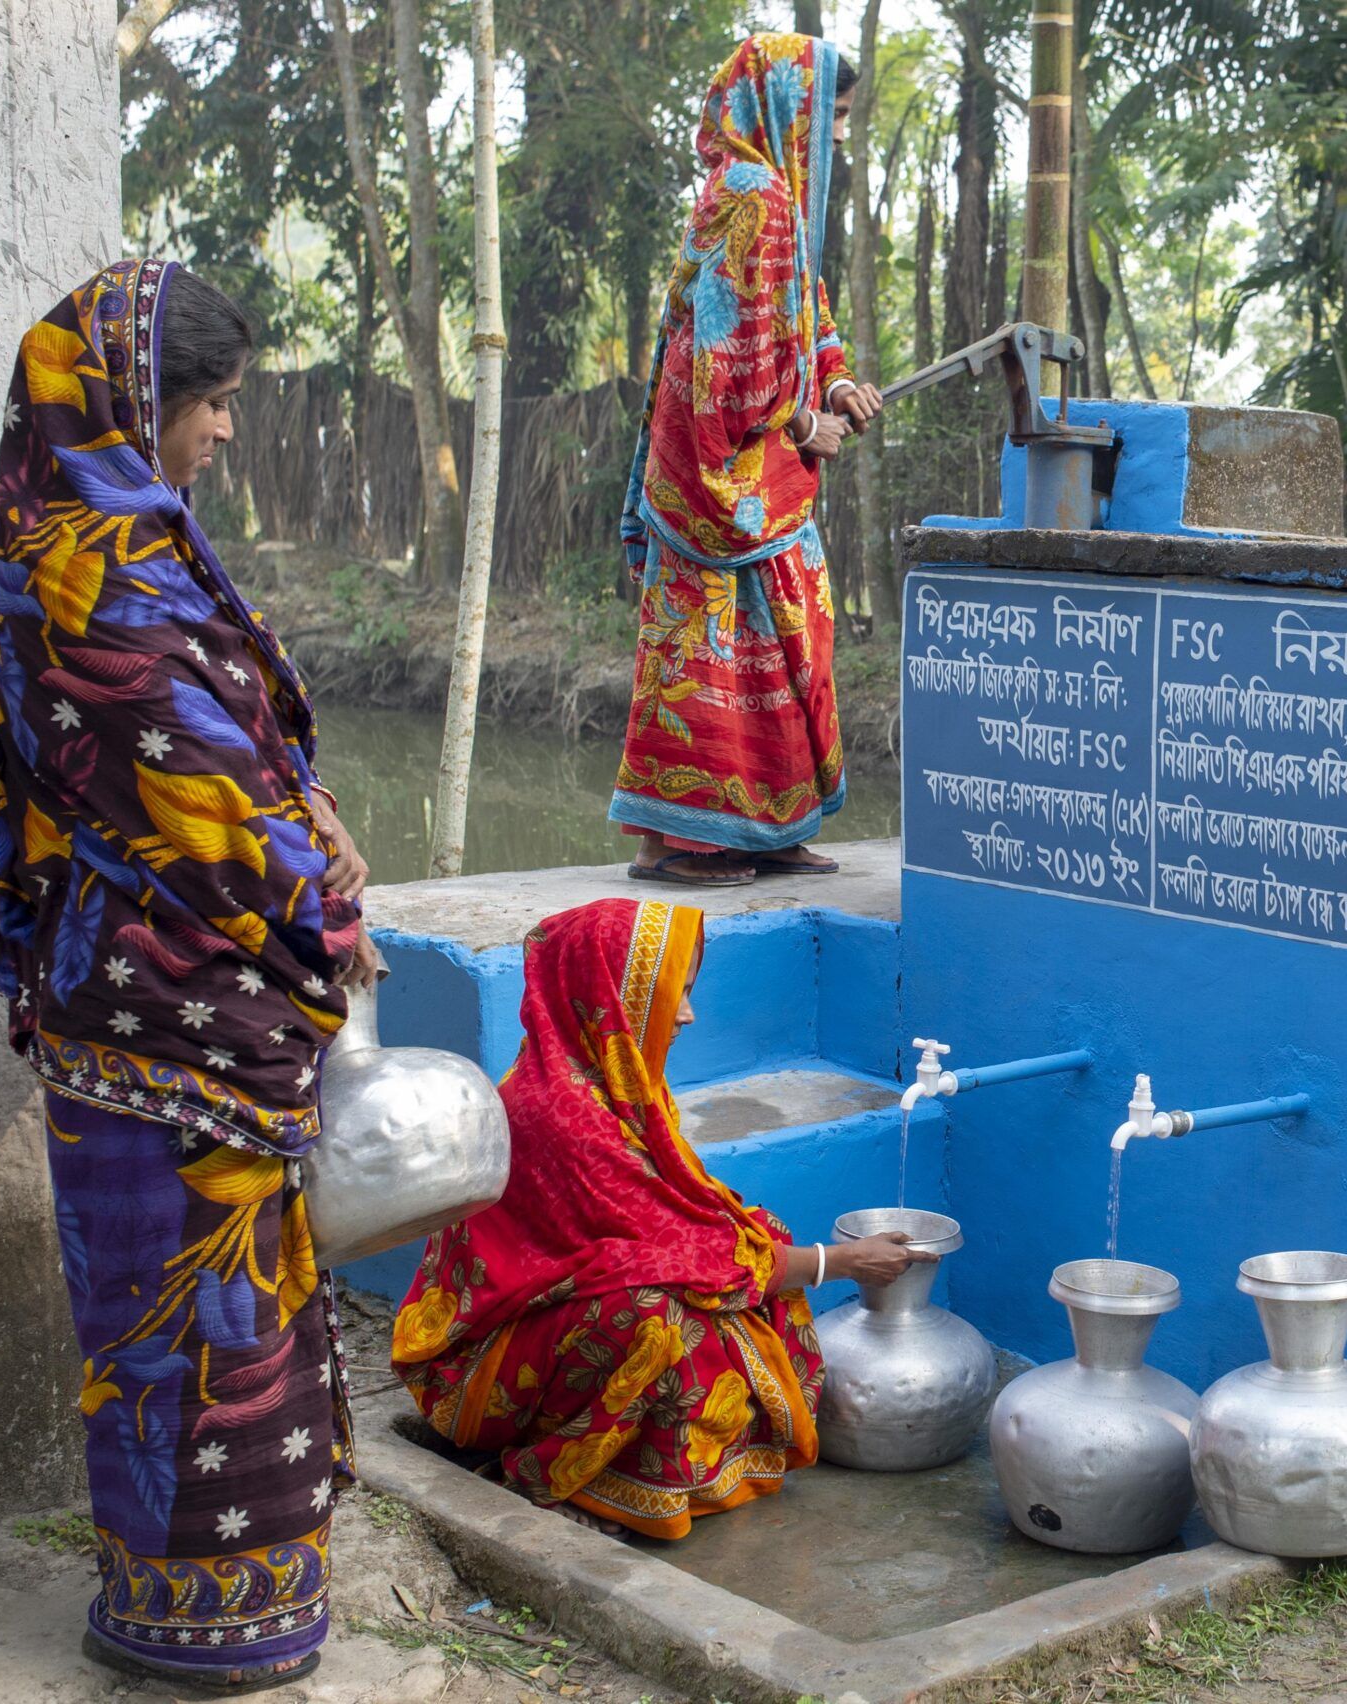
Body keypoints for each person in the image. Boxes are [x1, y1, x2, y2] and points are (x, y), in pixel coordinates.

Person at [0, 260, 384, 1688]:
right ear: (144, 401)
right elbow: (199, 810)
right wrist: (318, 895)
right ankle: (214, 1625)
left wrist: (300, 820)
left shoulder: (25, 532)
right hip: (186, 1006)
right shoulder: (101, 575)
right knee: (203, 1321)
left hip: (108, 1001)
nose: (225, 434)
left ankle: (168, 1604)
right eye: (215, 405)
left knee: (143, 1320)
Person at [391, 897, 930, 1537]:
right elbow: (666, 1256)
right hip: (480, 1360)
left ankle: (655, 1461)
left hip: (554, 1316)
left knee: (752, 1245)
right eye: (673, 991)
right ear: (608, 995)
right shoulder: (560, 1113)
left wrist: (791, 1255)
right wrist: (833, 1263)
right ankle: (575, 1473)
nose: (688, 1014)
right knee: (653, 1315)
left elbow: (684, 1228)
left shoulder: (616, 1082)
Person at [610, 33, 886, 888]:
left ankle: (764, 831)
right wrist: (804, 424)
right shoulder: (749, 194)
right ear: (785, 107)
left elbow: (809, 320)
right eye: (831, 116)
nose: (838, 135)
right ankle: (679, 842)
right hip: (715, 479)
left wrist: (836, 385)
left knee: (787, 638)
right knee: (711, 651)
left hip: (759, 481)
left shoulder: (781, 202)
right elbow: (719, 367)